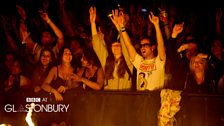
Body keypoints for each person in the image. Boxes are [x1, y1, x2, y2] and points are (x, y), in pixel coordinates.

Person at [110, 9, 166, 91]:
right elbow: (129, 45)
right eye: (141, 46)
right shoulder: (139, 62)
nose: (142, 47)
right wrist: (121, 26)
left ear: (153, 47)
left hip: (154, 100)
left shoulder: (159, 61)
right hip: (140, 100)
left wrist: (156, 26)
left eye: (145, 45)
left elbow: (160, 44)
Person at [90, 7, 133, 90]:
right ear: (110, 48)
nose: (116, 47)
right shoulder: (106, 61)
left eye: (118, 45)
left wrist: (120, 26)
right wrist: (92, 23)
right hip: (109, 100)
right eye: (114, 45)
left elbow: (126, 44)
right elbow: (97, 44)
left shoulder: (128, 60)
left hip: (125, 101)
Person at [41, 47, 77, 126]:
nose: (68, 55)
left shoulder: (76, 69)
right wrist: (54, 91)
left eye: (70, 53)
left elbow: (77, 85)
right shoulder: (55, 69)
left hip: (70, 107)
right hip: (56, 107)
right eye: (65, 53)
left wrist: (67, 87)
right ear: (61, 55)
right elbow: (44, 85)